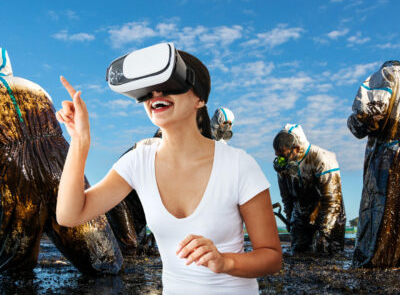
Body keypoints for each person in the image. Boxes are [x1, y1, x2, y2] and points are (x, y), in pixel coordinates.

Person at [55, 45, 282, 295]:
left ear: (200, 99)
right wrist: (80, 142)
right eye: (148, 89)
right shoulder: (137, 161)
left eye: (170, 83)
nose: (156, 93)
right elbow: (70, 215)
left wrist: (226, 261)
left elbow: (271, 258)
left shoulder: (239, 164)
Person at [0, 48, 122, 274]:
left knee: (13, 271)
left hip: (13, 173)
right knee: (103, 261)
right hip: (60, 165)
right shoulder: (35, 88)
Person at [348, 60, 400, 268]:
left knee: (379, 215)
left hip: (387, 160)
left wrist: (353, 123)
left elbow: (368, 116)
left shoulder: (387, 74)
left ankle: (374, 264)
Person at [273, 124, 346, 254]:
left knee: (326, 252)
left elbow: (332, 201)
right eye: (278, 155)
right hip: (301, 211)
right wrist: (290, 220)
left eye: (283, 155)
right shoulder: (283, 167)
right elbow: (286, 199)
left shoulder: (322, 159)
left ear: (296, 148)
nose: (280, 159)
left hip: (327, 210)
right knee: (298, 252)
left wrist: (324, 232)